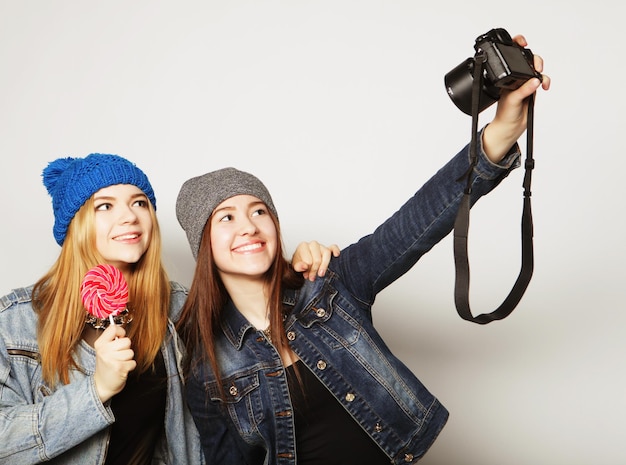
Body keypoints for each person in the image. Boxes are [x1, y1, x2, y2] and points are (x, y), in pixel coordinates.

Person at [174, 34, 550, 465]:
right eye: (226, 217)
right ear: (203, 244)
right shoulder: (208, 370)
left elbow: (416, 222)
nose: (249, 227)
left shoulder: (331, 283)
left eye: (259, 211)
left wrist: (501, 132)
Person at [0, 153, 338, 465]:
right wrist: (96, 390)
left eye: (140, 203)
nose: (129, 216)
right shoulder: (15, 322)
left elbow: (258, 326)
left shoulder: (179, 309)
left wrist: (298, 269)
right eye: (105, 206)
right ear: (74, 224)